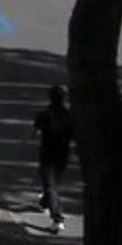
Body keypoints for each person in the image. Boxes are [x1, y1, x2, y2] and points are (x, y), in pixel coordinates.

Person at [34, 86, 74, 232]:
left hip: (47, 153)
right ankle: (44, 203)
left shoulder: (45, 114)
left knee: (50, 185)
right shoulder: (68, 115)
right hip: (63, 154)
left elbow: (36, 131)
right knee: (53, 182)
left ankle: (57, 218)